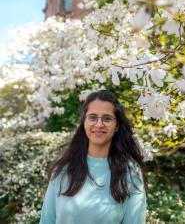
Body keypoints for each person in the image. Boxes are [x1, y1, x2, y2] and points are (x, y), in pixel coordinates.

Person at [39, 89, 147, 224]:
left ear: (117, 125)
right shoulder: (62, 169)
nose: (99, 124)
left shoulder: (130, 172)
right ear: (84, 122)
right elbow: (46, 220)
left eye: (107, 118)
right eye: (93, 117)